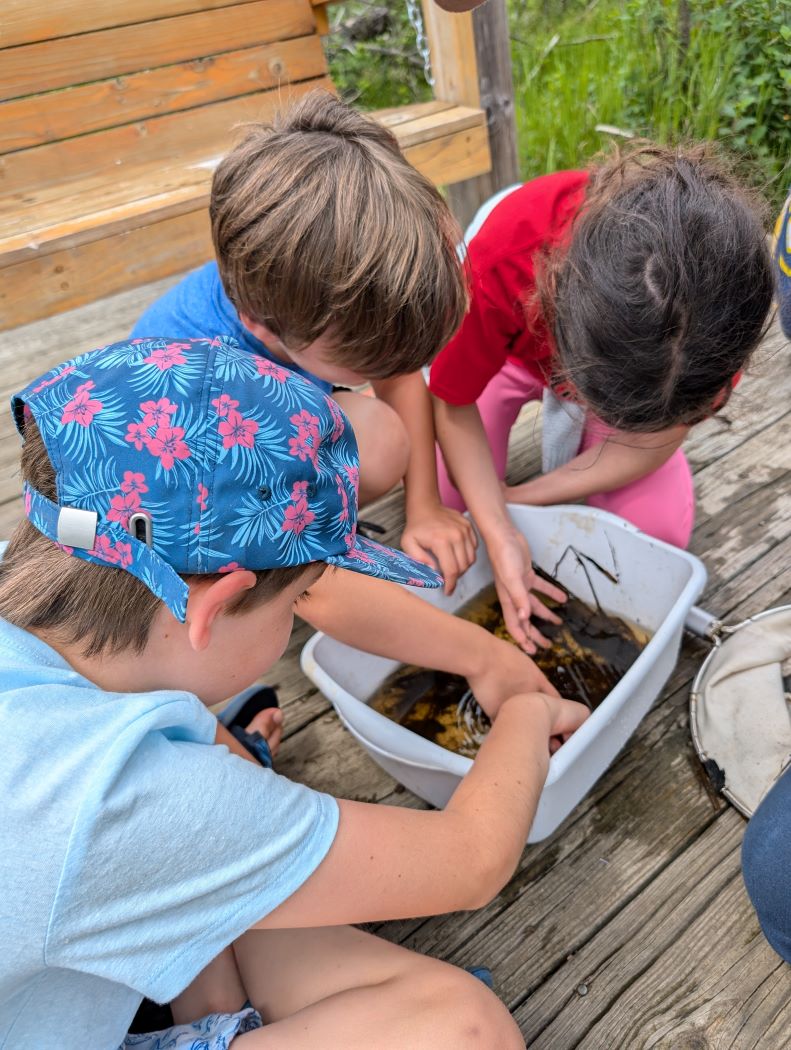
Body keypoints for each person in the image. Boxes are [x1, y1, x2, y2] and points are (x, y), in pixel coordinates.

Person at [0, 335, 589, 1050]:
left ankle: (208, 1000)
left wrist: (226, 775)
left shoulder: (60, 553)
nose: (301, 612)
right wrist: (527, 710)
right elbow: (469, 860)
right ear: (215, 607)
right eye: (301, 598)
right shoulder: (113, 798)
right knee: (464, 1030)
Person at [431, 143, 775, 652]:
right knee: (453, 513)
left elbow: (661, 434)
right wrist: (498, 529)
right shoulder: (501, 258)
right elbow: (449, 401)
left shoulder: (723, 308)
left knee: (655, 532)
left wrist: (514, 500)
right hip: (512, 351)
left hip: (635, 379)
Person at [132, 89, 476, 593]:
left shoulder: (298, 296)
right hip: (184, 506)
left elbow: (396, 370)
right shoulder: (209, 382)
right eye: (364, 364)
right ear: (261, 328)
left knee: (381, 440)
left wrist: (424, 505)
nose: (384, 370)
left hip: (275, 425)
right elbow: (322, 598)